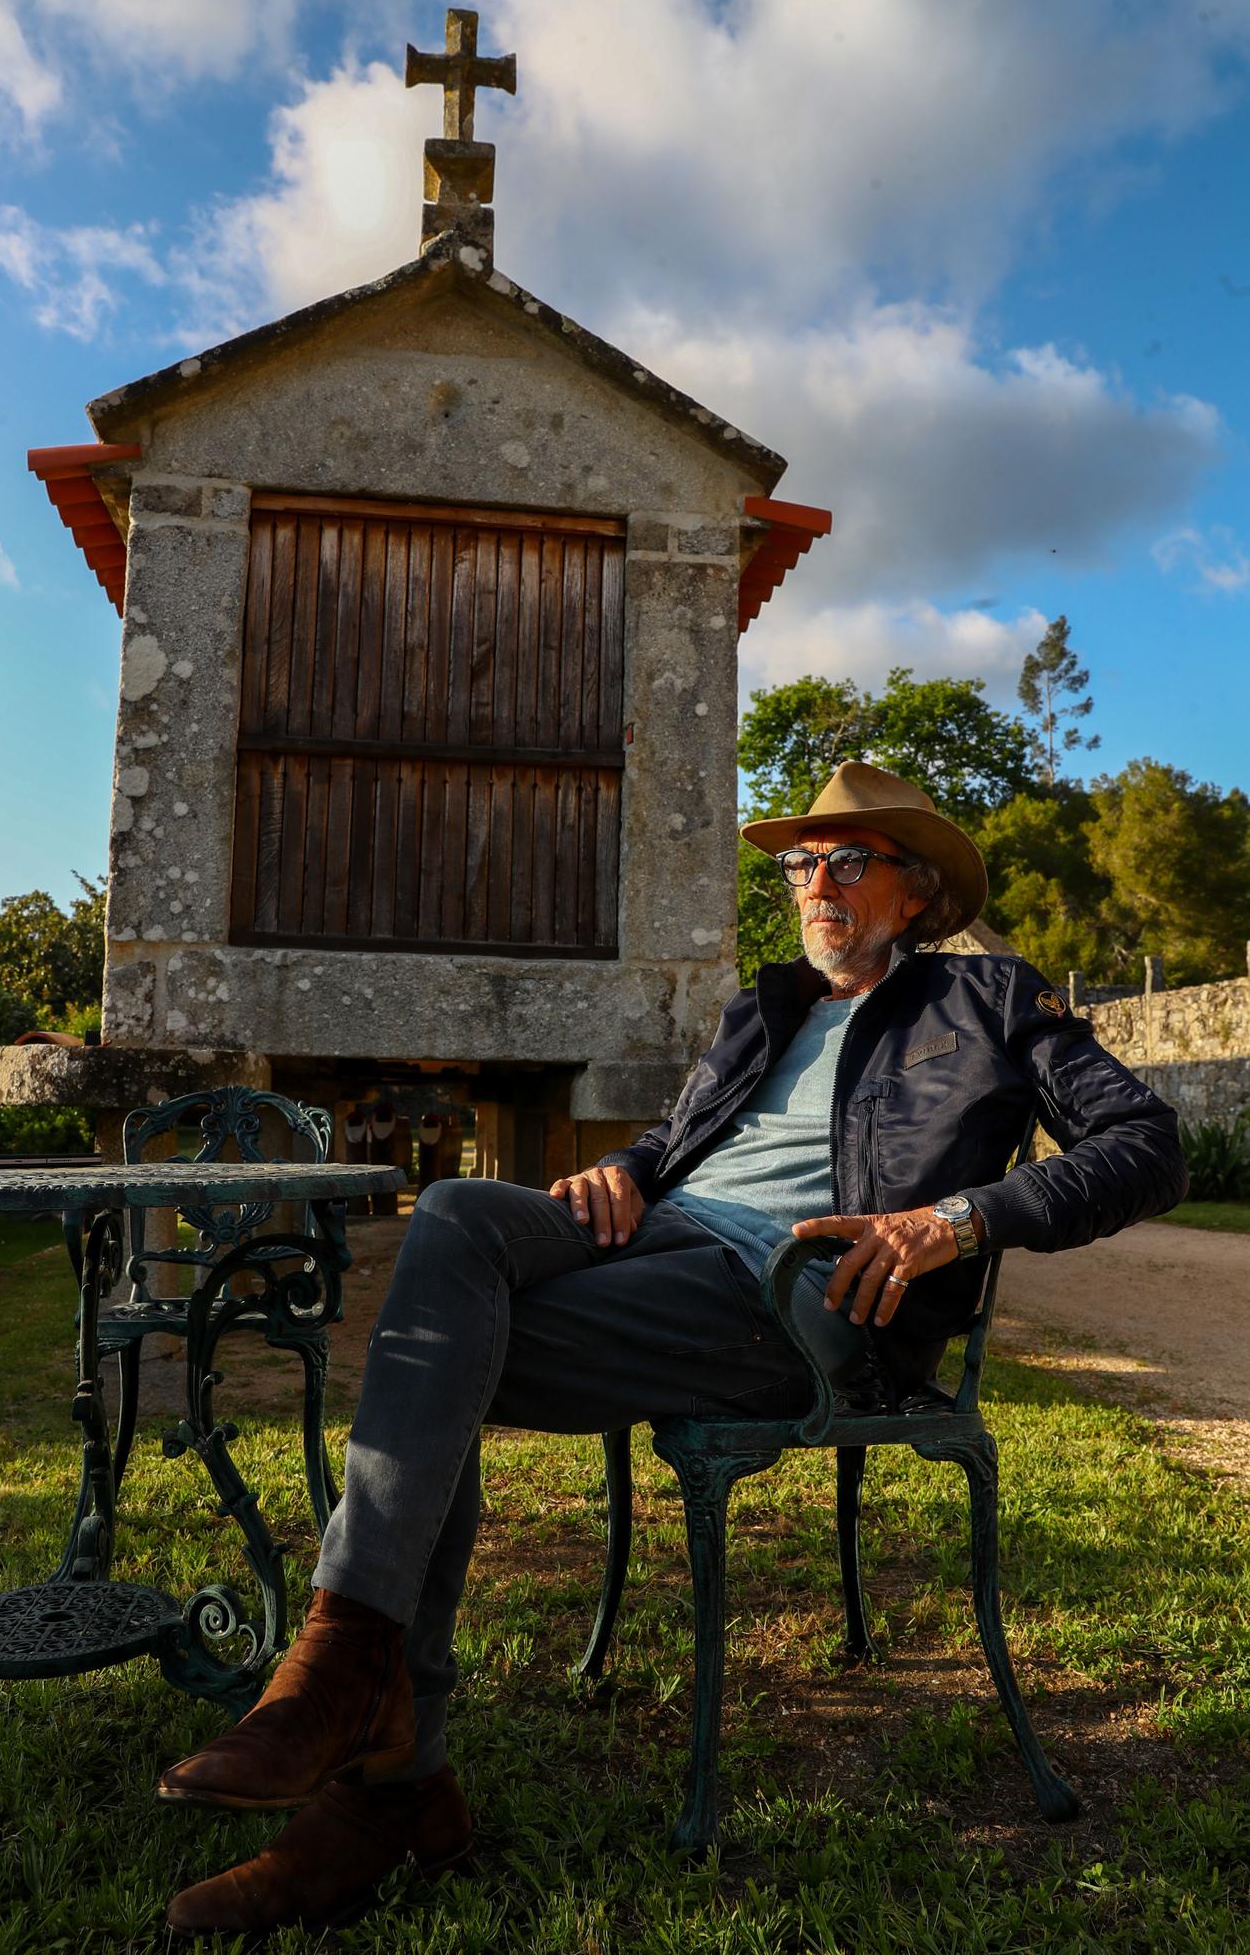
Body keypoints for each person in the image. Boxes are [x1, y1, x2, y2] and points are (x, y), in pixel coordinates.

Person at [159, 760, 1186, 1935]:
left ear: (916, 892)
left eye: (848, 860)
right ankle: (368, 1714)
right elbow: (686, 1136)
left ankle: (377, 1756)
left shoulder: (990, 1000)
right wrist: (626, 1169)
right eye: (803, 863)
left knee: (437, 1354)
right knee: (455, 1220)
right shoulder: (769, 1005)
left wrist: (954, 1219)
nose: (815, 883)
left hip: (802, 1289)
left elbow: (1145, 1142)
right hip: (658, 1235)